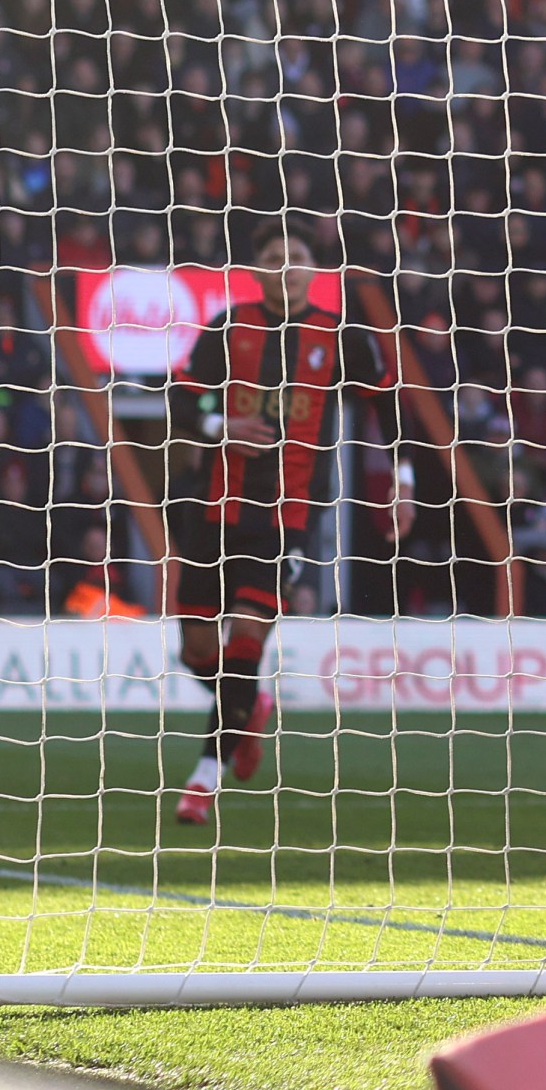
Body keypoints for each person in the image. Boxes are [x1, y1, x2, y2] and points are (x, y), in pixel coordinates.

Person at [168, 231, 396, 826]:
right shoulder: (227, 324)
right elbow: (182, 401)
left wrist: (405, 479)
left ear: (314, 272)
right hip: (215, 507)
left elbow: (387, 404)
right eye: (273, 258)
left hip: (287, 516)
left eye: (298, 259)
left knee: (247, 637)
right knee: (197, 650)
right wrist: (221, 427)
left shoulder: (340, 334)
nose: (286, 268)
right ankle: (248, 709)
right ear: (256, 270)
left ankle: (203, 779)